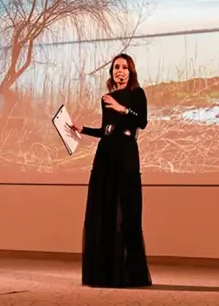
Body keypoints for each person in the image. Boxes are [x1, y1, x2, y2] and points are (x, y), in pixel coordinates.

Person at [68, 53, 152, 288]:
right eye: (116, 67)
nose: (120, 71)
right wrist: (82, 129)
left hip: (125, 154)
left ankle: (129, 274)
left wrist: (121, 108)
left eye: (124, 67)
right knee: (103, 209)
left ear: (131, 71)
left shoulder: (137, 94)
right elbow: (106, 130)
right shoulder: (106, 97)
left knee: (126, 211)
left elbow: (142, 121)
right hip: (105, 155)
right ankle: (103, 273)